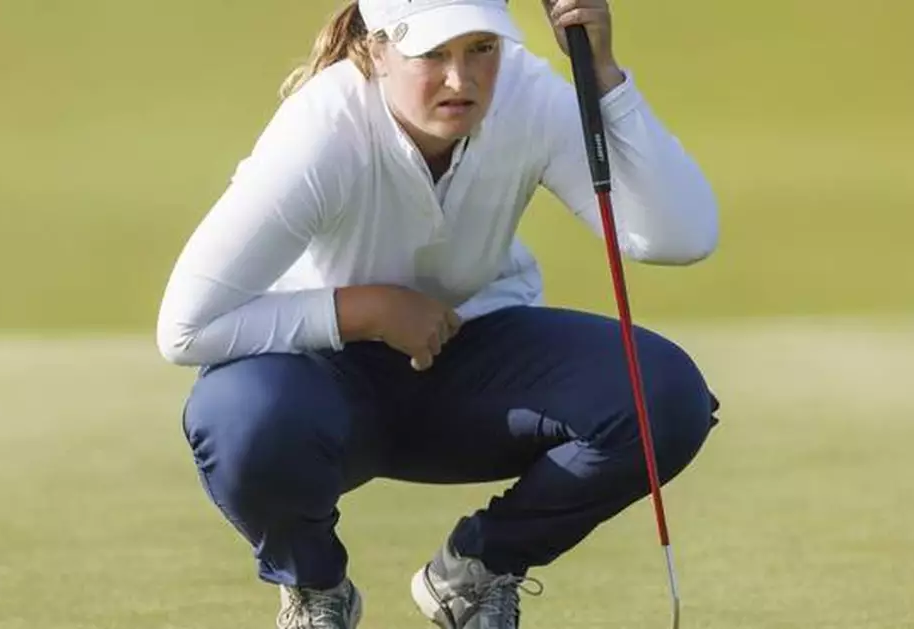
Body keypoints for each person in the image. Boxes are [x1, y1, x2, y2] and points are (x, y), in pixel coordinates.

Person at [155, 0, 721, 626]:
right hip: (314, 385)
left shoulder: (527, 96)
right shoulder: (322, 126)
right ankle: (316, 589)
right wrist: (367, 310)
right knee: (241, 418)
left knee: (661, 396)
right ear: (375, 51)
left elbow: (679, 235)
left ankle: (478, 571)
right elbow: (185, 326)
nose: (462, 79)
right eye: (432, 55)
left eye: (482, 47)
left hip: (477, 373)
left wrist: (604, 77)